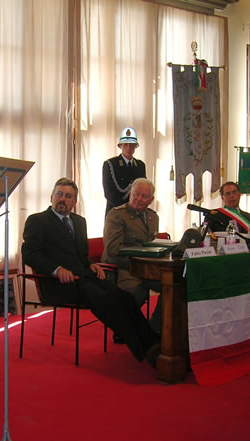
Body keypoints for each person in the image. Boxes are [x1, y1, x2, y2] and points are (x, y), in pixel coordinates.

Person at [22, 178, 160, 364]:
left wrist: (90, 264)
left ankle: (154, 341)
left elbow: (78, 254)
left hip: (84, 276)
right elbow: (30, 254)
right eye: (59, 194)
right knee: (106, 300)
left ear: (74, 202)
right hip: (58, 282)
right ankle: (146, 351)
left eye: (68, 196)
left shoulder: (79, 221)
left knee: (124, 298)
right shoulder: (38, 220)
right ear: (51, 197)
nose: (63, 199)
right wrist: (57, 270)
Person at [102, 178, 162, 334]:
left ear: (151, 200)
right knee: (137, 292)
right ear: (130, 194)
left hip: (147, 269)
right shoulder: (117, 215)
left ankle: (154, 329)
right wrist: (140, 263)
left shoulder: (153, 217)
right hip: (123, 268)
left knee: (172, 286)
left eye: (144, 196)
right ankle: (122, 330)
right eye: (136, 194)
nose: (139, 199)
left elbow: (152, 245)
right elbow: (113, 250)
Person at [102, 127, 146, 215]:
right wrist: (126, 210)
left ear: (135, 146)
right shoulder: (110, 164)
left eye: (132, 145)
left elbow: (143, 190)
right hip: (116, 212)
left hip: (136, 212)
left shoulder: (140, 165)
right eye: (125, 145)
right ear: (120, 146)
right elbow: (109, 193)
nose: (129, 148)